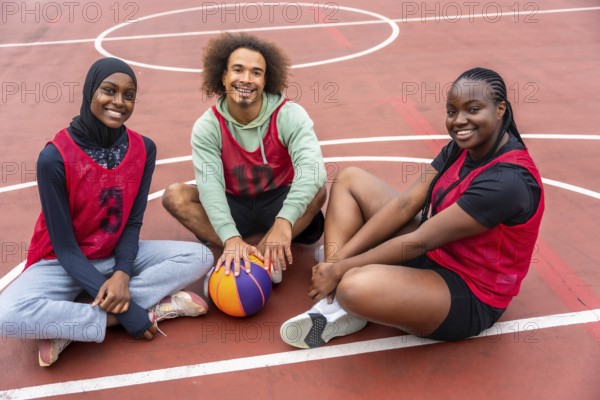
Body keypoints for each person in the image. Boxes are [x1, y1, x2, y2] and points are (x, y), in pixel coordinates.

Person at [280, 67, 545, 348]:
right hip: (438, 251)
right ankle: (333, 297)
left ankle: (341, 298)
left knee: (353, 286)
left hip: (469, 291)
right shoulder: (462, 147)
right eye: (452, 111)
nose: (459, 120)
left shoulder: (506, 181)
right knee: (350, 179)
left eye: (473, 109)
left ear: (500, 109)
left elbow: (420, 240)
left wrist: (340, 270)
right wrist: (334, 264)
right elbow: (406, 204)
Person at [0, 58, 214, 367]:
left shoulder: (144, 148)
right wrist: (128, 315)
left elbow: (133, 223)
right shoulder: (54, 158)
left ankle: (70, 327)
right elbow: (65, 248)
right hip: (61, 262)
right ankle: (141, 311)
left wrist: (122, 273)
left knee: (200, 257)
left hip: (115, 254)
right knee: (7, 315)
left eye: (129, 95)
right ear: (90, 93)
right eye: (109, 91)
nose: (119, 102)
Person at [162, 33, 326, 281]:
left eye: (256, 72)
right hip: (234, 203)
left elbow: (312, 170)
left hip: (277, 200)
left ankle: (267, 251)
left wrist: (284, 220)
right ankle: (242, 252)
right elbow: (210, 187)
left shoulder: (289, 114)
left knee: (318, 188)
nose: (246, 79)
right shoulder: (208, 126)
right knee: (175, 196)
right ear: (224, 75)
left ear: (266, 80)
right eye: (238, 70)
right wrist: (229, 236)